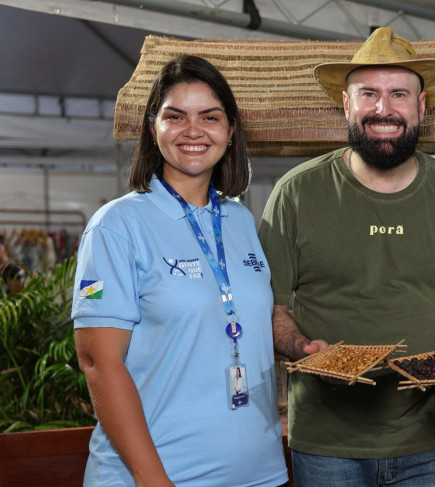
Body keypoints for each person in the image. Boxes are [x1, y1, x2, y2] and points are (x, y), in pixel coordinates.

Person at [258, 27, 435, 487]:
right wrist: (304, 350)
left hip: (430, 443)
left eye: (398, 94)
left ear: (422, 106)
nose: (383, 108)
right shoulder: (296, 193)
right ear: (347, 104)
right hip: (325, 441)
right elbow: (272, 308)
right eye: (368, 93)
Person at [72, 55, 288, 487]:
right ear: (154, 128)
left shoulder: (241, 222)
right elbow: (97, 361)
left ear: (230, 131)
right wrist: (152, 479)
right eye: (176, 116)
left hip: (260, 473)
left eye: (210, 117)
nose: (194, 130)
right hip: (160, 476)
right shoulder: (116, 225)